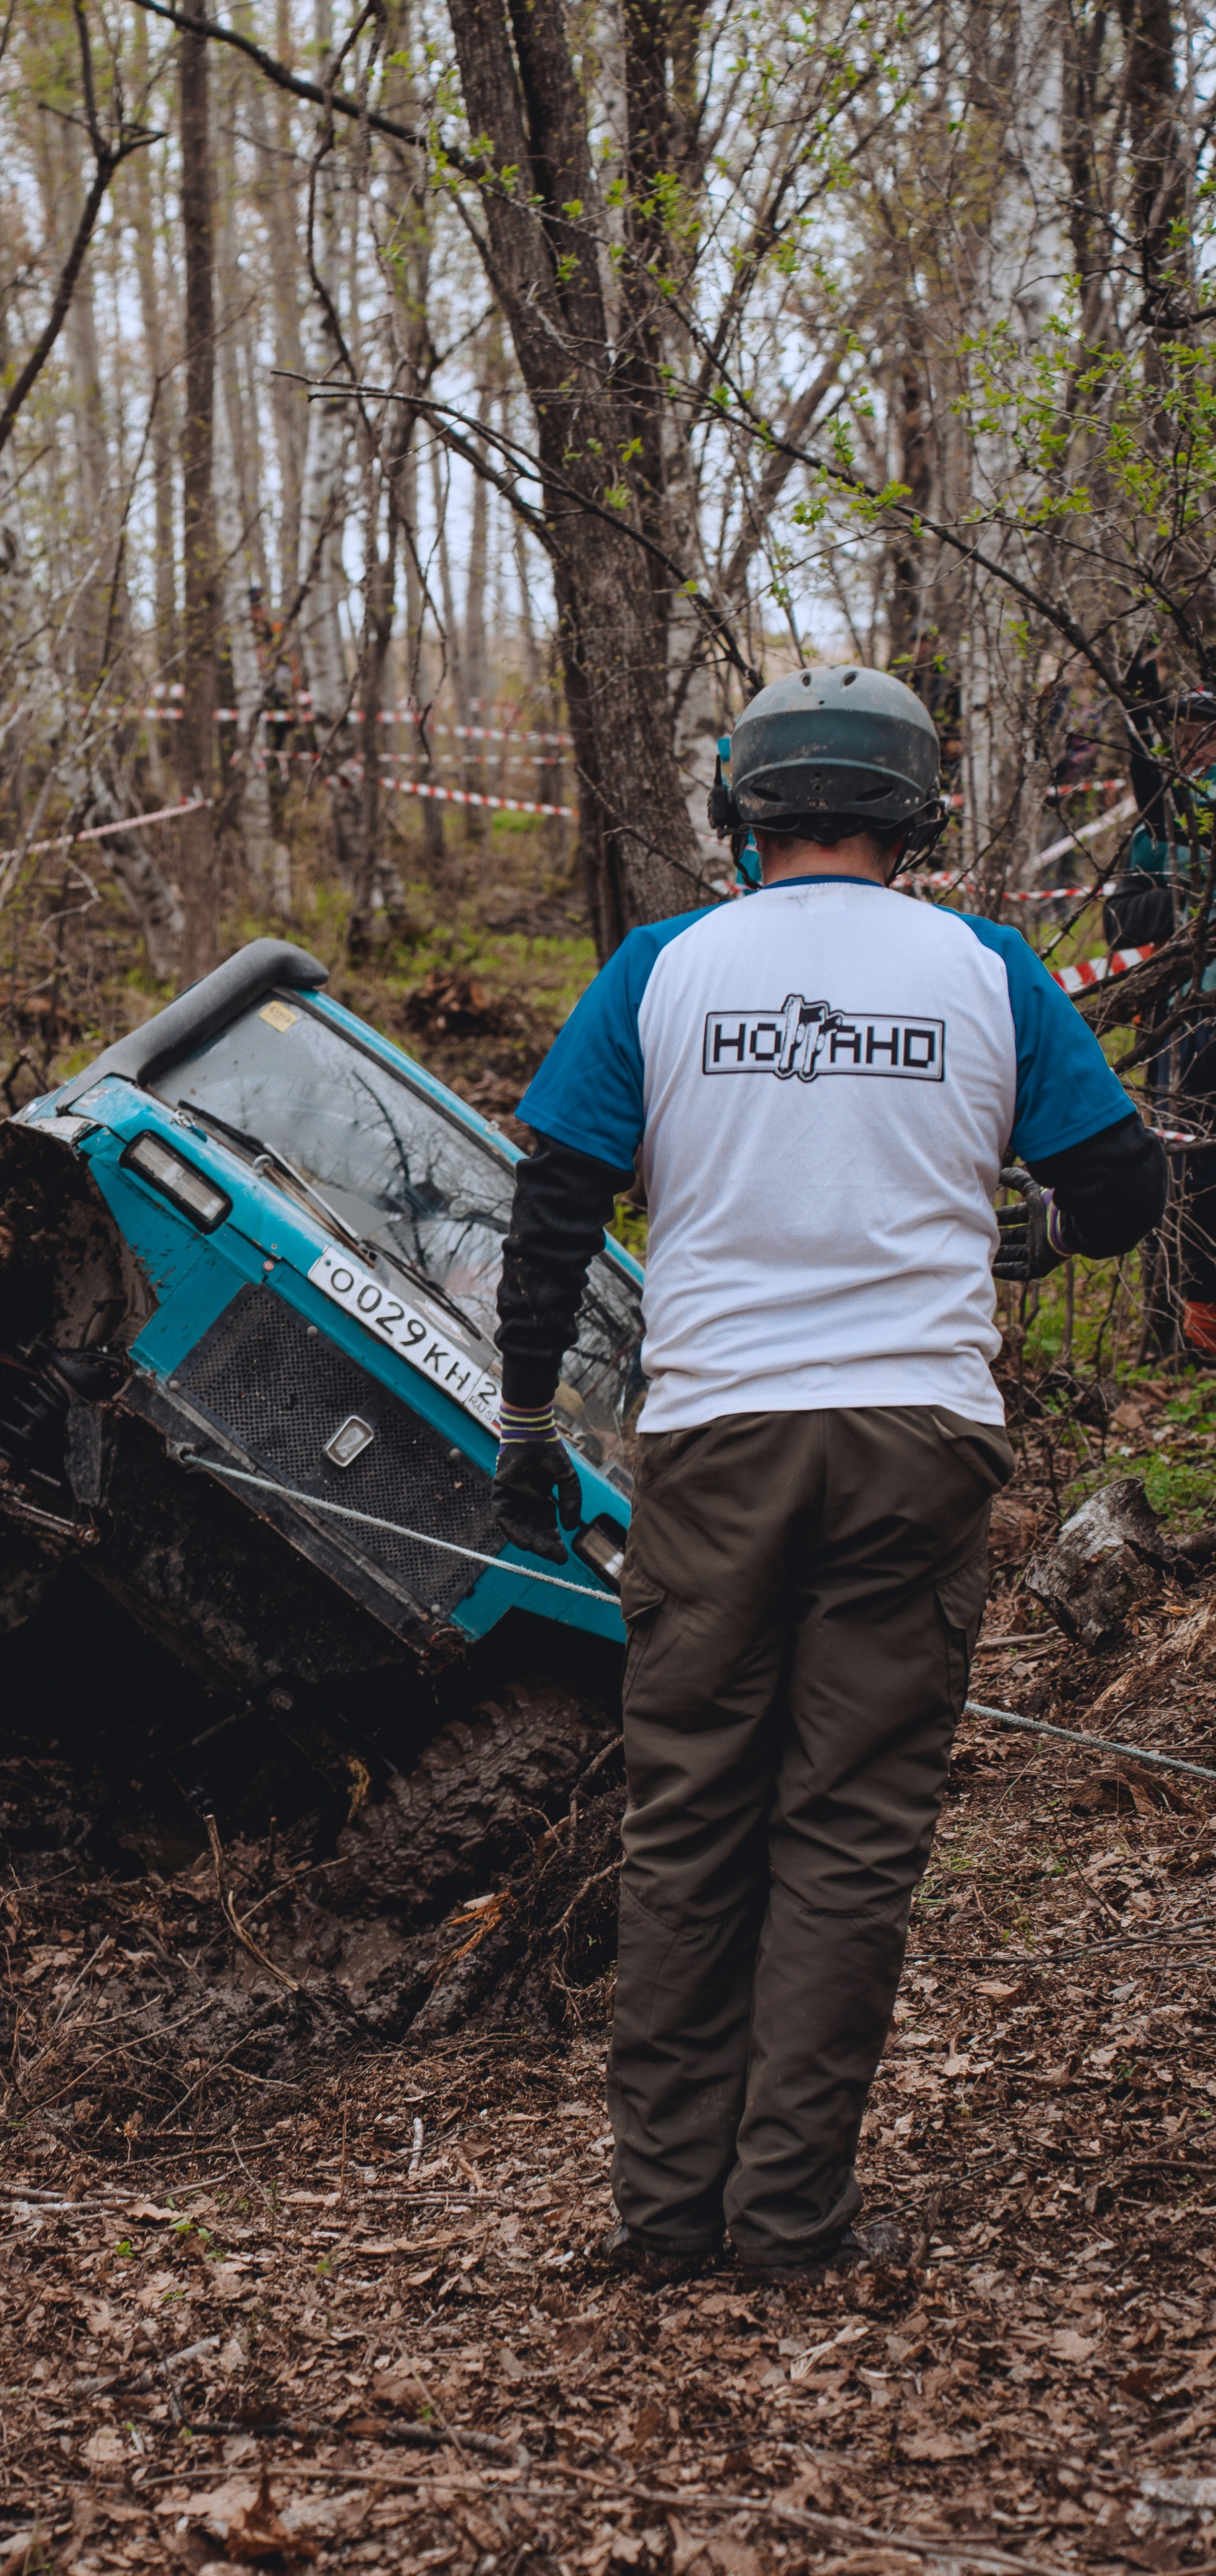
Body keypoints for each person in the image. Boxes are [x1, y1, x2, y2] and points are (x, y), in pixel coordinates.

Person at [490, 665, 1168, 2284]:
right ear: (910, 814)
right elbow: (1128, 1186)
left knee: (688, 1824)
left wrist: (525, 1429)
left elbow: (550, 1212)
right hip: (914, 1440)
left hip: (717, 1439)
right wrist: (1035, 1232)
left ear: (746, 809)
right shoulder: (982, 967)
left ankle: (662, 2217)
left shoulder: (663, 967)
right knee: (847, 1838)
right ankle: (788, 2219)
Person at [1108, 653, 1216, 1356]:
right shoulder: (1161, 815)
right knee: (1183, 1171)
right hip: (1183, 1012)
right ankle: (1185, 1328)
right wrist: (1176, 899)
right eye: (1181, 729)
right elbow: (1122, 918)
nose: (1193, 742)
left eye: (1203, 729)